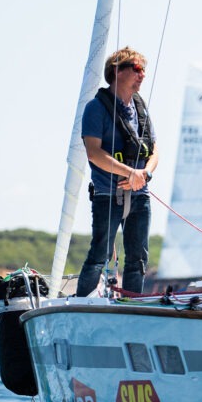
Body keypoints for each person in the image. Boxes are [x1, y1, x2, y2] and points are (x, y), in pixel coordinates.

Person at [75, 47, 160, 297]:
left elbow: (155, 150)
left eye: (143, 70)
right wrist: (130, 172)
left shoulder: (141, 109)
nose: (142, 75)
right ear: (116, 71)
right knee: (99, 255)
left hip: (140, 193)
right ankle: (82, 303)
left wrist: (144, 174)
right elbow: (93, 152)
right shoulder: (95, 108)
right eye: (136, 69)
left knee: (138, 259)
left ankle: (131, 306)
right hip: (107, 194)